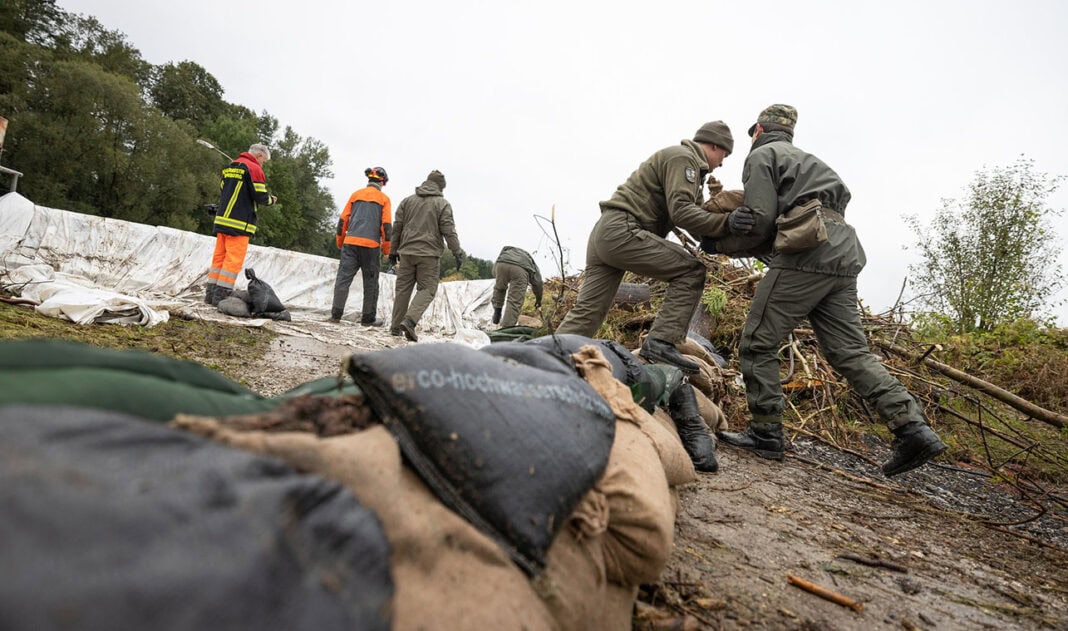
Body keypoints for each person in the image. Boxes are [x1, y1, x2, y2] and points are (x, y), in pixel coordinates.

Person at [704, 104, 947, 477]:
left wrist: (717, 245)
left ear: (757, 131)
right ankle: (912, 427)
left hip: (809, 250)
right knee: (851, 351)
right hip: (844, 252)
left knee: (758, 342)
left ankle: (766, 432)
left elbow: (759, 220)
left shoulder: (763, 156)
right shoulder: (812, 163)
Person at [555, 122, 734, 373]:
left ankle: (547, 358)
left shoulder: (687, 166)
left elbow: (698, 224)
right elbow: (683, 212)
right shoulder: (685, 159)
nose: (722, 163)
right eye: (724, 155)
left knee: (588, 313)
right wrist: (727, 222)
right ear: (714, 145)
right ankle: (662, 342)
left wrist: (722, 232)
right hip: (623, 231)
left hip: (606, 233)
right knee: (691, 271)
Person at [389, 170, 464, 342]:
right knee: (428, 289)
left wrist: (393, 251)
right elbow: (448, 230)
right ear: (440, 187)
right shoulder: (442, 203)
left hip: (406, 252)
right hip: (428, 255)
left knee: (403, 290)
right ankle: (409, 321)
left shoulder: (407, 201)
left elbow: (397, 228)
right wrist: (456, 251)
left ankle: (395, 327)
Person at [205, 144, 277, 305]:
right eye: (263, 161)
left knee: (219, 258)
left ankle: (210, 295)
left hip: (222, 220)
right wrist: (272, 199)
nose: (262, 164)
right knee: (232, 260)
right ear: (258, 156)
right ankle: (221, 297)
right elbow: (260, 196)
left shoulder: (231, 166)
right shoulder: (254, 169)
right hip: (239, 223)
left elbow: (223, 189)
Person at [330, 167, 392, 326]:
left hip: (350, 244)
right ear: (382, 183)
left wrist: (340, 241)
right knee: (371, 283)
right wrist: (387, 250)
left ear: (369, 180)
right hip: (371, 246)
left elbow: (343, 221)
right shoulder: (384, 199)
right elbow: (386, 227)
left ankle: (336, 315)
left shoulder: (355, 195)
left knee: (343, 280)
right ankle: (368, 319)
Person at [491, 246, 544, 328]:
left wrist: (498, 276)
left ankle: (497, 314)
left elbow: (494, 272)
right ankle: (506, 329)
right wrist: (538, 300)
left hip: (501, 264)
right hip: (520, 269)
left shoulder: (506, 250)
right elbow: (538, 283)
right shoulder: (531, 263)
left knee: (499, 289)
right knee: (514, 301)